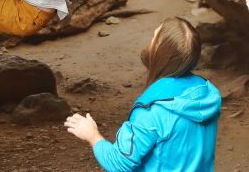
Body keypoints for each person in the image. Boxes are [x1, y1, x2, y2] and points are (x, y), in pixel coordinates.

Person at [64, 17, 222, 171]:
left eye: (154, 38)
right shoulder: (209, 94)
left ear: (161, 53)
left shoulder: (152, 111)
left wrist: (92, 135)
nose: (150, 43)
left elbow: (119, 163)